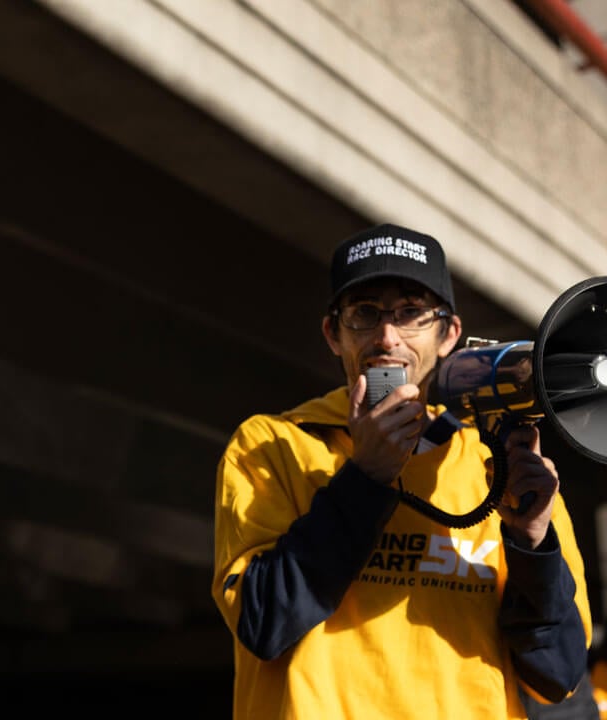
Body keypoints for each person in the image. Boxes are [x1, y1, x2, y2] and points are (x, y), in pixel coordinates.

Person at [211, 223, 591, 719]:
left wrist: (532, 542)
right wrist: (366, 475)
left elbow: (558, 675)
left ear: (449, 334)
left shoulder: (495, 464)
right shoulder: (271, 445)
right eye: (364, 314)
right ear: (334, 333)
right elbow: (263, 623)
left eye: (411, 313)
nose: (387, 337)